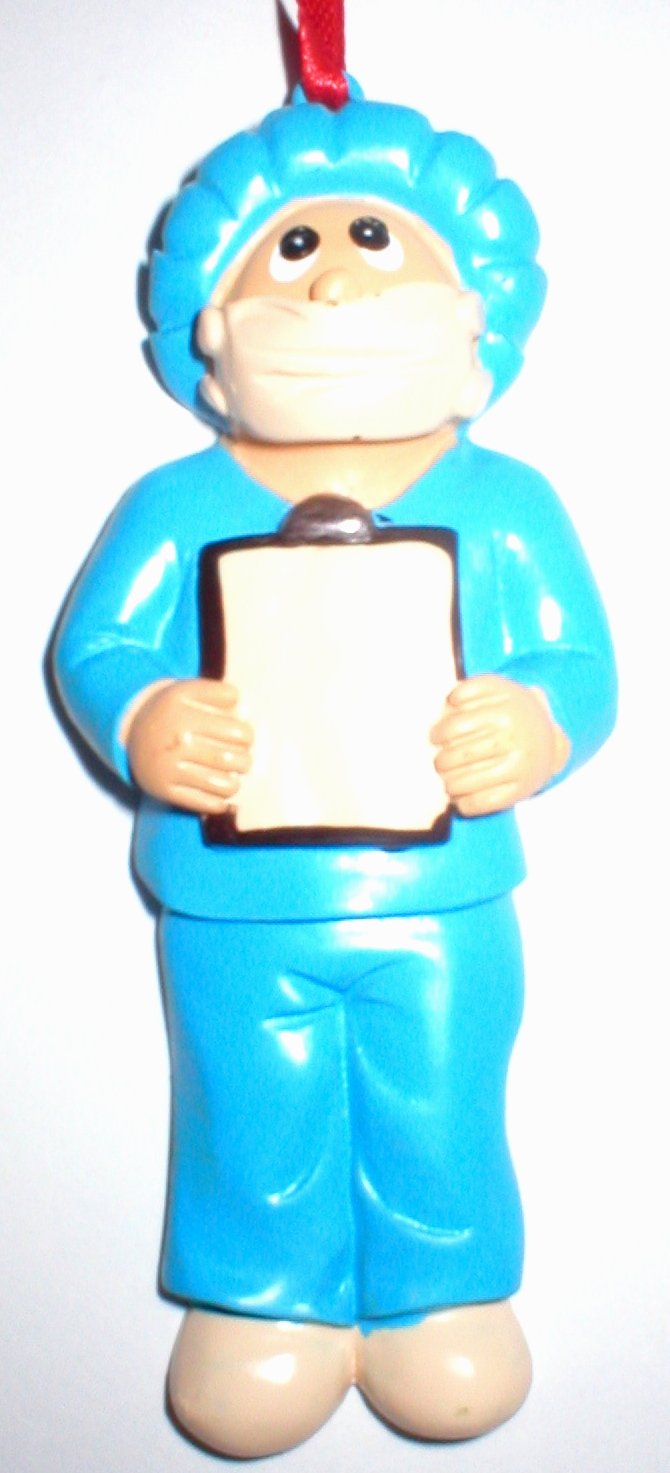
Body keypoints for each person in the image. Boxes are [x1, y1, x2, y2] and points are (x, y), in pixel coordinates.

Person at [54, 93, 617, 1456]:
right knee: (246, 1096)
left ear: (473, 325)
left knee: (441, 1081)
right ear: (212, 330)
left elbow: (580, 662)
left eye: (375, 242)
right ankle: (267, 1298)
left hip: (440, 898)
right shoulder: (174, 506)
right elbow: (96, 645)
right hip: (234, 903)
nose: (338, 281)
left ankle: (440, 1287)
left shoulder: (506, 502)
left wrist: (536, 726)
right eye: (294, 250)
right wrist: (143, 717)